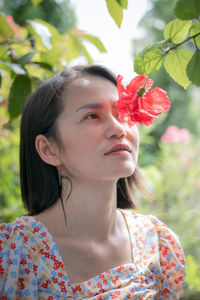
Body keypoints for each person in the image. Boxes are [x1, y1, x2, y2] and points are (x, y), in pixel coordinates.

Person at [0, 65, 185, 299]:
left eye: (122, 114)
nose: (119, 129)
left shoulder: (158, 243)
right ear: (49, 149)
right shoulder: (14, 254)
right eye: (92, 116)